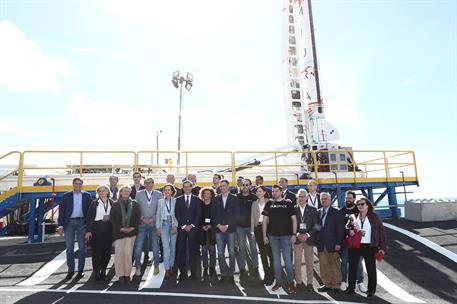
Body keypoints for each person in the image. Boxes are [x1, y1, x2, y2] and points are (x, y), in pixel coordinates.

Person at [346, 196, 387, 298]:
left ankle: (371, 290)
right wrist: (349, 231)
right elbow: (347, 226)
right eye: (358, 204)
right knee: (352, 268)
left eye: (362, 204)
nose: (360, 206)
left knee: (371, 268)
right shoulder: (353, 216)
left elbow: (381, 232)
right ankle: (351, 288)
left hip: (369, 246)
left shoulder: (374, 217)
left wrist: (382, 247)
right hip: (355, 245)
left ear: (368, 205)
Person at [262, 185, 297, 294]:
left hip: (286, 236)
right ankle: (278, 282)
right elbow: (264, 221)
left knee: (288, 261)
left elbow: (294, 220)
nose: (274, 193)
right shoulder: (269, 203)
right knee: (276, 261)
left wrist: (294, 234)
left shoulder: (288, 203)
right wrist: (264, 236)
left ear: (281, 192)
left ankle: (291, 283)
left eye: (276, 191)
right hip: (273, 236)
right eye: (273, 191)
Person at [57, 177, 92, 280]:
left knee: (82, 248)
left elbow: (90, 212)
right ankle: (70, 270)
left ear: (82, 185)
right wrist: (60, 226)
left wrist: (89, 226)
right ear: (73, 184)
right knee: (70, 248)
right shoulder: (66, 196)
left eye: (80, 184)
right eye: (76, 184)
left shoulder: (87, 196)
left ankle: (80, 270)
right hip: (69, 223)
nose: (78, 185)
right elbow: (62, 211)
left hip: (82, 222)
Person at [110, 185, 141, 283]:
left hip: (131, 232)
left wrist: (132, 228)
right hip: (119, 232)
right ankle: (120, 274)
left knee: (128, 254)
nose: (126, 192)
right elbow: (112, 219)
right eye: (124, 191)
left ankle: (127, 274)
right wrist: (121, 228)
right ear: (121, 192)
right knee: (119, 253)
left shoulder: (135, 203)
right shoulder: (115, 204)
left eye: (128, 191)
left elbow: (138, 217)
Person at [315, 192, 344, 293]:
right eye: (322, 199)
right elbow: (316, 227)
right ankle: (327, 284)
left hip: (333, 244)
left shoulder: (337, 212)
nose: (323, 200)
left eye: (325, 199)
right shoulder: (318, 212)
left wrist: (338, 243)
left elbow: (340, 230)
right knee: (324, 265)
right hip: (321, 244)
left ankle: (336, 285)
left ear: (330, 200)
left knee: (335, 265)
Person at [134, 178, 163, 276]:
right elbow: (136, 208)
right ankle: (137, 266)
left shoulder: (159, 194)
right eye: (146, 183)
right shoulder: (138, 193)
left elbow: (160, 209)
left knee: (155, 247)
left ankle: (156, 266)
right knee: (138, 247)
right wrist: (142, 218)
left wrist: (152, 219)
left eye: (150, 183)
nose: (148, 184)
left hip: (154, 224)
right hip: (142, 224)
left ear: (153, 184)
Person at [212, 179, 239, 283]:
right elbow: (213, 214)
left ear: (228, 186)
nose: (222, 188)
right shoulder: (216, 199)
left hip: (230, 229)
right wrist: (219, 225)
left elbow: (236, 214)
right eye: (221, 186)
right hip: (219, 230)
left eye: (224, 186)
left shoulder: (234, 198)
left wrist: (227, 225)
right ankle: (223, 274)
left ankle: (231, 274)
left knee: (232, 252)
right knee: (220, 253)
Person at [175, 180, 202, 281]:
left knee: (193, 251)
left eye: (188, 187)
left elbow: (198, 214)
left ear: (191, 187)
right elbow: (177, 214)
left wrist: (191, 225)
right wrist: (183, 225)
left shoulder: (197, 200)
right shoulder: (178, 200)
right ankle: (182, 272)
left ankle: (194, 272)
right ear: (182, 188)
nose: (187, 188)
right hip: (182, 229)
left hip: (193, 229)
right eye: (185, 187)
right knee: (181, 251)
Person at [85, 185, 114, 281]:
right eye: (100, 191)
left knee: (107, 252)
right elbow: (89, 218)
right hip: (96, 229)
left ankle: (103, 270)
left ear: (107, 192)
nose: (102, 192)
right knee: (96, 252)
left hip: (108, 229)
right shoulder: (94, 203)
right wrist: (88, 231)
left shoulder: (112, 202)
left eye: (104, 190)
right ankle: (96, 271)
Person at [340, 191, 366, 292]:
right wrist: (347, 231)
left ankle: (360, 282)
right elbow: (340, 227)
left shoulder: (359, 210)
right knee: (344, 262)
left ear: (354, 199)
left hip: (358, 242)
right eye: (346, 198)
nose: (348, 200)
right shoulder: (341, 211)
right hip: (346, 242)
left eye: (350, 198)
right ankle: (344, 281)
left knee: (358, 263)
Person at [294, 189, 318, 291]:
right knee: (297, 261)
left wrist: (307, 235)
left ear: (307, 198)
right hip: (298, 239)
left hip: (309, 239)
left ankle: (310, 283)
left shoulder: (313, 209)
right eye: (299, 196)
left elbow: (317, 225)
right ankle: (298, 282)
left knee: (309, 262)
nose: (301, 198)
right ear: (297, 197)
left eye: (303, 196)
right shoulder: (293, 209)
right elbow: (291, 224)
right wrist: (297, 234)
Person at [251, 186, 274, 285]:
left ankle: (272, 275)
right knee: (263, 254)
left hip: (269, 229)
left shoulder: (270, 202)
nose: (258, 193)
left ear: (264, 192)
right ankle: (266, 274)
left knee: (270, 253)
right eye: (257, 192)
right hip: (258, 228)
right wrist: (252, 232)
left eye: (260, 191)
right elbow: (252, 218)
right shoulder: (254, 203)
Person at [236, 179, 259, 278]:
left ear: (250, 186)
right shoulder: (237, 197)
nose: (244, 186)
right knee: (241, 248)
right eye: (243, 184)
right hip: (240, 227)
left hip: (251, 227)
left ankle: (255, 268)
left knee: (253, 248)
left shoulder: (254, 197)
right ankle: (242, 268)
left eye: (246, 184)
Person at [156, 184, 178, 280]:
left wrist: (175, 226)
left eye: (169, 190)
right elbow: (158, 215)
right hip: (164, 225)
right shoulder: (160, 201)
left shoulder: (176, 201)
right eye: (165, 190)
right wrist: (158, 227)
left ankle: (172, 265)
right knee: (165, 247)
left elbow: (177, 215)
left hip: (173, 225)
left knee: (173, 246)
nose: (167, 191)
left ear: (172, 191)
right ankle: (167, 269)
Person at [199, 187, 217, 278]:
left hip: (212, 230)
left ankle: (212, 267)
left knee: (212, 250)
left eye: (208, 193)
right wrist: (202, 226)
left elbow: (216, 217)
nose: (206, 195)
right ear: (202, 195)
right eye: (204, 193)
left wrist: (211, 225)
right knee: (204, 250)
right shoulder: (200, 205)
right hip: (202, 231)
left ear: (211, 195)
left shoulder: (214, 205)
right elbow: (198, 217)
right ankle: (205, 268)